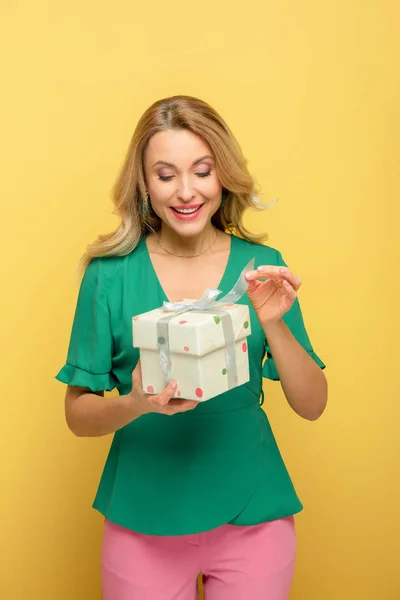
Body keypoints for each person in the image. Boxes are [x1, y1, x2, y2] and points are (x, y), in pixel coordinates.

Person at [56, 95, 327, 600]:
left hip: (254, 511)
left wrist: (276, 324)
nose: (186, 191)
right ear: (144, 184)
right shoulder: (108, 276)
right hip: (143, 513)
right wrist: (136, 403)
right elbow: (77, 415)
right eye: (165, 175)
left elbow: (312, 404)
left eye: (202, 171)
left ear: (222, 175)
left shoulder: (261, 266)